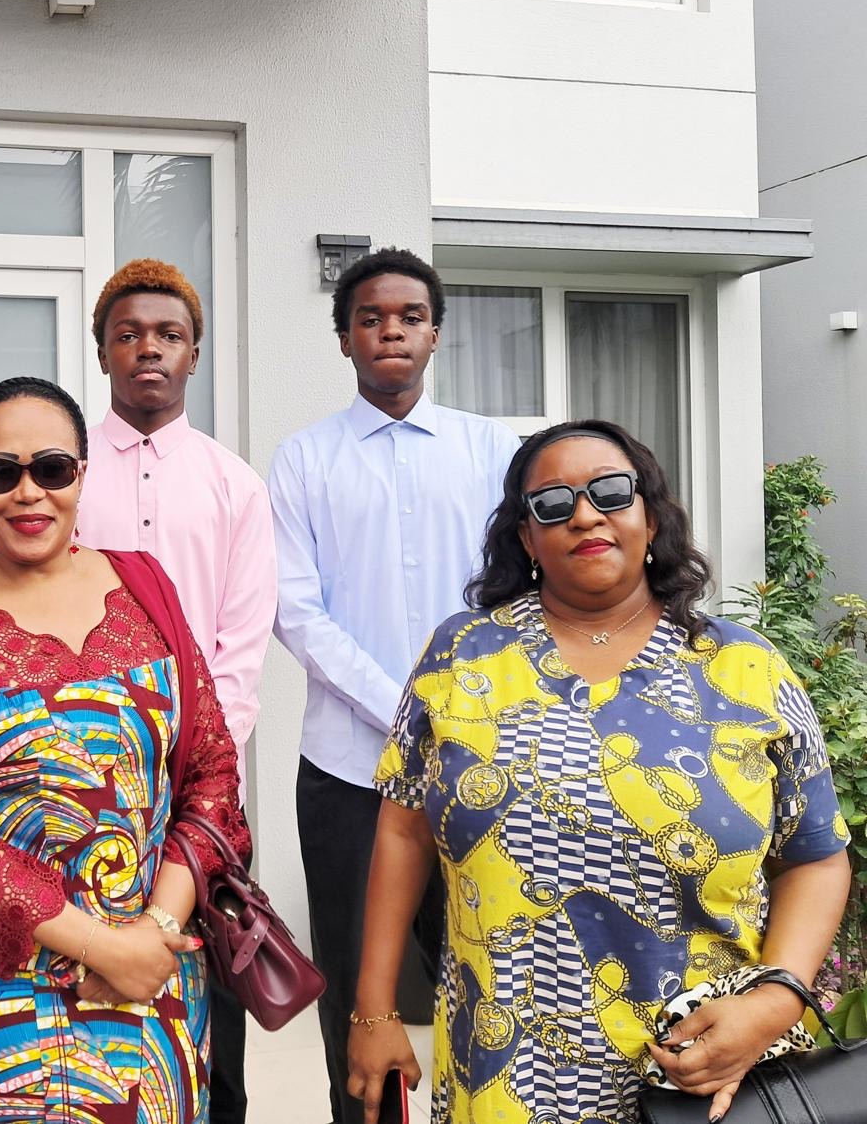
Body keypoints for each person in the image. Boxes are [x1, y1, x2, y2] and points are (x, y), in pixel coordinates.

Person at [349, 419, 852, 1124]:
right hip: (505, 1078)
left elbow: (817, 856)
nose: (585, 515)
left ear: (652, 516)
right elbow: (403, 831)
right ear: (527, 538)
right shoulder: (459, 657)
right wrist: (374, 1010)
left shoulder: (747, 670)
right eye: (552, 503)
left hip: (708, 1077)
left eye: (611, 493)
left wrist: (775, 1002)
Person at [0, 377, 252, 1124]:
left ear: (82, 474)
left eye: (51, 469)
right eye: (2, 472)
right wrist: (102, 949)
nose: (29, 493)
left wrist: (152, 934)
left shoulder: (146, 591)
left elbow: (212, 772)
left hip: (156, 964)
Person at [268, 247, 521, 1124]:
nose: (391, 331)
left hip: (479, 762)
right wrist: (412, 711)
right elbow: (297, 613)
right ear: (344, 338)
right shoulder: (303, 460)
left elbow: (518, 593)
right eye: (370, 318)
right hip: (347, 771)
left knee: (487, 979)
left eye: (410, 316)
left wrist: (461, 712)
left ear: (435, 334)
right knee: (357, 997)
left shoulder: (494, 452)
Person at [77, 259, 277, 1124]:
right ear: (103, 353)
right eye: (128, 336)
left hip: (202, 789)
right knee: (91, 997)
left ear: (195, 353)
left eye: (168, 335)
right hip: (85, 781)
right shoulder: (66, 474)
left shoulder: (235, 484)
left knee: (214, 1009)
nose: (148, 350)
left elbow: (242, 646)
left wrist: (198, 768)